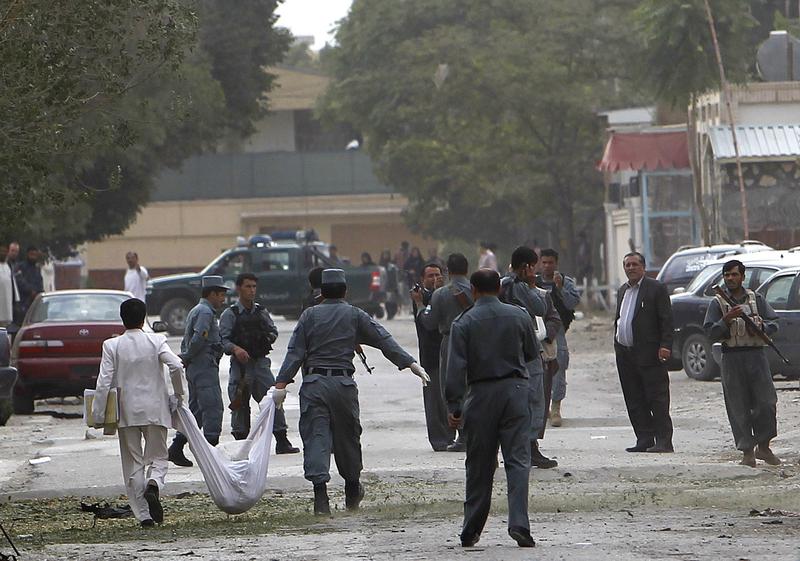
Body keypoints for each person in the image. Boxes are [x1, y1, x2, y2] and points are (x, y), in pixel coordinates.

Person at [274, 269, 430, 515]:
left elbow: (295, 352)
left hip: (314, 384)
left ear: (321, 292)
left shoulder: (309, 316)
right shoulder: (355, 315)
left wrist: (281, 384)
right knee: (348, 438)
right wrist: (411, 363)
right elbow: (383, 339)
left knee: (316, 436)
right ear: (345, 291)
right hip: (343, 386)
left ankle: (320, 497)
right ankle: (352, 489)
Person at [446, 268, 537, 549]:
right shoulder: (519, 315)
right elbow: (532, 353)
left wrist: (455, 406)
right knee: (518, 461)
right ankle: (519, 523)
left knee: (479, 464)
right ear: (499, 288)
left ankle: (471, 528)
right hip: (515, 392)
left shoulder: (463, 322)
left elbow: (455, 370)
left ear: (473, 290)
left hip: (481, 395)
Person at [91, 298, 186, 527]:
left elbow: (104, 381)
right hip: (156, 409)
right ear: (144, 318)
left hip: (126, 412)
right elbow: (176, 365)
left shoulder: (112, 345)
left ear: (122, 319)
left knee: (133, 464)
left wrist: (97, 413)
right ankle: (154, 483)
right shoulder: (156, 340)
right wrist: (179, 395)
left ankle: (144, 516)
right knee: (159, 457)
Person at [703, 260, 781, 467]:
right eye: (726, 275)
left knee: (766, 402)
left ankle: (763, 447)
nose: (730, 278)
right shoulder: (717, 303)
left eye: (734, 275)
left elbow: (774, 323)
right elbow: (710, 332)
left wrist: (763, 326)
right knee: (738, 405)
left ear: (742, 277)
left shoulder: (757, 299)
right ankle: (747, 451)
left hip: (756, 356)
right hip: (731, 358)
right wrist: (726, 319)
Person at [219, 273, 299, 453]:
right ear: (239, 288)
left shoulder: (261, 311)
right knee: (239, 403)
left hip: (260, 364)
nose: (252, 290)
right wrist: (236, 349)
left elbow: (273, 331)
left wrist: (265, 339)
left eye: (254, 287)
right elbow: (222, 340)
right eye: (248, 286)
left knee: (273, 401)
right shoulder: (230, 314)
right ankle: (241, 444)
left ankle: (281, 440)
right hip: (241, 367)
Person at [501, 246, 555, 468]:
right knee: (534, 399)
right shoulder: (520, 287)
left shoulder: (501, 284)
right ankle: (530, 448)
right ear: (526, 267)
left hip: (505, 351)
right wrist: (532, 285)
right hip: (527, 350)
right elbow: (540, 308)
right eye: (533, 266)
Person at [614, 252, 674, 453]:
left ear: (643, 267)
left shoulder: (655, 288)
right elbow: (620, 319)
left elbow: (666, 319)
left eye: (634, 264)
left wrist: (665, 345)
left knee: (656, 398)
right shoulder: (623, 290)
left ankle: (664, 440)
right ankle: (644, 438)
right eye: (627, 265)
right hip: (625, 354)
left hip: (650, 353)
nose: (631, 268)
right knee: (634, 398)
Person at [412, 253, 473, 452]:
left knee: (451, 389)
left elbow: (428, 322)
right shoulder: (475, 289)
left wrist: (421, 305)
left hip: (449, 342)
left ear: (447, 270)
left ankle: (461, 434)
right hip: (474, 344)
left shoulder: (441, 294)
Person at [168, 276, 228, 467]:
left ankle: (176, 448)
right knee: (213, 408)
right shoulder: (205, 312)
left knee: (197, 412)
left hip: (199, 366)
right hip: (203, 367)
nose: (223, 300)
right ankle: (210, 454)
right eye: (220, 295)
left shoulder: (200, 310)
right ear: (211, 294)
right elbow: (199, 337)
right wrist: (187, 356)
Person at [411, 262, 453, 451]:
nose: (435, 278)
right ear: (423, 279)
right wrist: (422, 301)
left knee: (449, 398)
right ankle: (439, 440)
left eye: (438, 275)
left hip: (450, 355)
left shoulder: (446, 294)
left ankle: (452, 436)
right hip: (431, 356)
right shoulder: (422, 297)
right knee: (433, 400)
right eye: (430, 276)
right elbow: (426, 322)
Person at [537, 248, 581, 427]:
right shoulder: (534, 281)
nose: (547, 266)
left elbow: (572, 303)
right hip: (538, 329)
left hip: (558, 330)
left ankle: (556, 406)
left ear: (556, 263)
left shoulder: (565, 282)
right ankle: (542, 406)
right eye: (544, 262)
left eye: (550, 263)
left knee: (559, 367)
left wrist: (561, 288)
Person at [15, 246, 44, 318]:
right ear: (27, 254)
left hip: (36, 302)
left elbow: (40, 283)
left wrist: (39, 293)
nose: (33, 257)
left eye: (35, 255)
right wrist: (30, 290)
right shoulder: (20, 267)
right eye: (31, 254)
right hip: (23, 301)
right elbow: (19, 281)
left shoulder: (37, 269)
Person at [0, 243, 19, 328]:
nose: (3, 253)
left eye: (5, 251)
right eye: (1, 251)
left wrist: (16, 299)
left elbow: (13, 284)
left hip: (7, 306)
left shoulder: (8, 266)